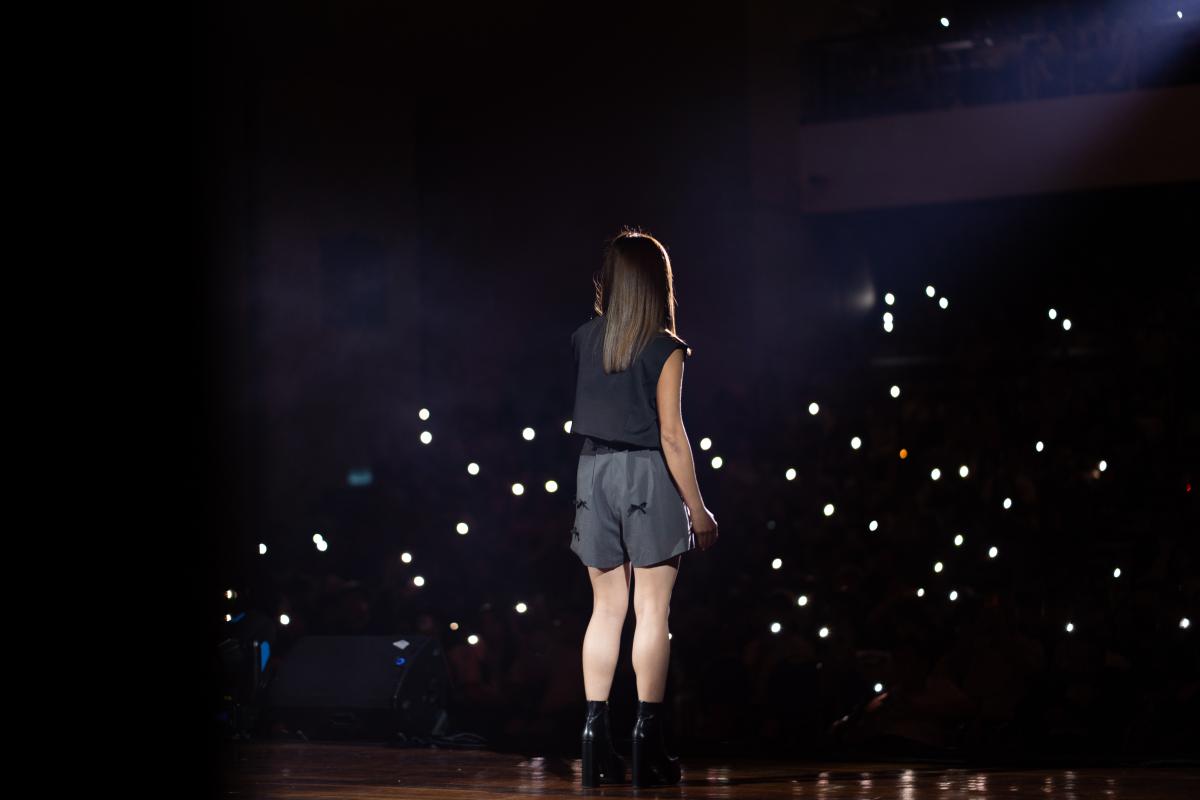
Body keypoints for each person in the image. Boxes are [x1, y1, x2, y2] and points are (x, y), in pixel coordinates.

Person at [568, 226, 719, 787]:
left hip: (592, 471)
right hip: (646, 473)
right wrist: (698, 510)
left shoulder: (585, 339)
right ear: (659, 283)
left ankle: (594, 739)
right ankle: (645, 742)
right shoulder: (665, 348)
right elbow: (672, 436)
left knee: (605, 610)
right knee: (652, 611)